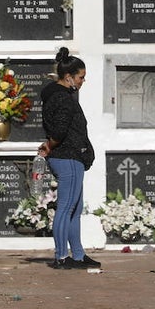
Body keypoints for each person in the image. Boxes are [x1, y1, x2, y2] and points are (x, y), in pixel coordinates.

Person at [38, 47, 100, 270]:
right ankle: (62, 256)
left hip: (68, 158)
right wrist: (50, 145)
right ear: (68, 77)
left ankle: (79, 255)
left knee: (74, 207)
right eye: (81, 77)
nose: (83, 81)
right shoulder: (63, 98)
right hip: (68, 157)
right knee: (66, 208)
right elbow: (60, 130)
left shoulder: (55, 95)